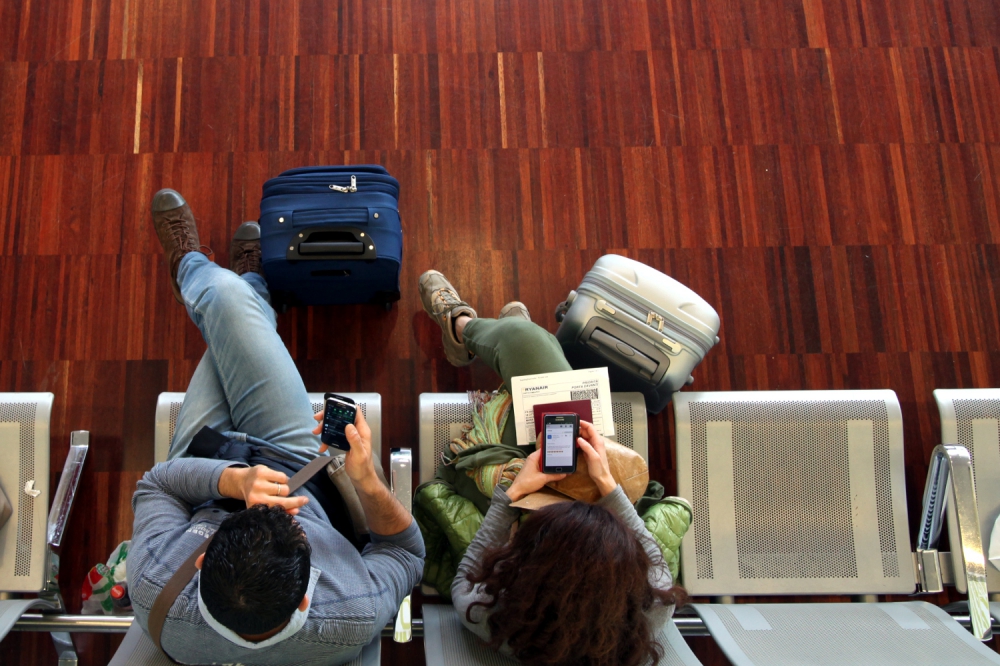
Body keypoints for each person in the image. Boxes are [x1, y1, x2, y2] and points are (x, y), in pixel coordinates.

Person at [126, 189, 423, 665]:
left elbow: (156, 486)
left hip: (204, 478)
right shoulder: (349, 609)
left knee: (227, 306)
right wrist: (366, 479)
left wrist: (231, 479)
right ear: (308, 595)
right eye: (293, 525)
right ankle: (244, 287)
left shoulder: (152, 585)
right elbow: (407, 556)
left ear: (201, 562)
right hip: (297, 470)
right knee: (231, 309)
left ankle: (200, 272)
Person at [418, 270, 687, 666]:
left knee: (530, 353)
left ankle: (465, 329)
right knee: (546, 385)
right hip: (558, 493)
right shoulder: (650, 611)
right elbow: (655, 559)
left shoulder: (489, 613)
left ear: (529, 568)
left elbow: (466, 574)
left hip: (499, 479)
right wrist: (606, 484)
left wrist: (513, 494)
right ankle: (508, 346)